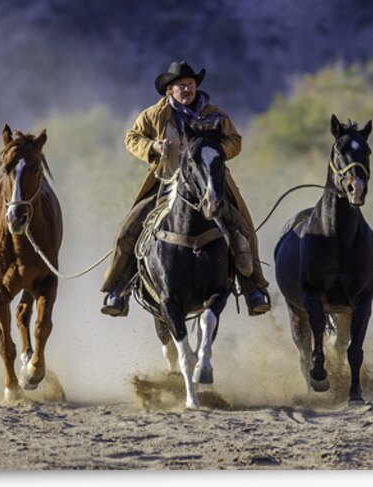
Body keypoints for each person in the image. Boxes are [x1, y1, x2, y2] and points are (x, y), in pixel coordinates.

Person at [100, 60, 271, 317]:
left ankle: (253, 288)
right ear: (170, 90)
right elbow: (131, 138)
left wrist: (211, 152)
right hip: (166, 186)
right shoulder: (154, 115)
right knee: (128, 229)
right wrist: (153, 147)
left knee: (243, 228)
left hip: (211, 185)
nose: (187, 89)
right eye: (181, 85)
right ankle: (118, 288)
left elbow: (235, 142)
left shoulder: (215, 115)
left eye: (190, 84)